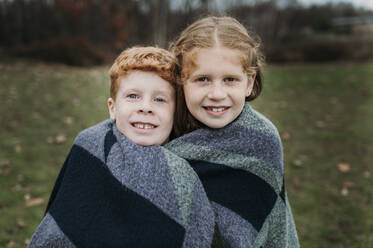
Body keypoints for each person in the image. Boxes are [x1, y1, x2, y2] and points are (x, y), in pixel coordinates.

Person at [28, 47, 216, 248]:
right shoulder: (91, 144)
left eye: (159, 99)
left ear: (175, 112)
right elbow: (61, 223)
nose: (145, 107)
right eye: (133, 96)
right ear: (112, 107)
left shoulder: (185, 174)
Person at [165, 16, 300, 247]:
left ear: (249, 82)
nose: (217, 93)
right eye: (203, 79)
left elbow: (269, 227)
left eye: (230, 79)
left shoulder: (261, 140)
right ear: (181, 79)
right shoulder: (162, 127)